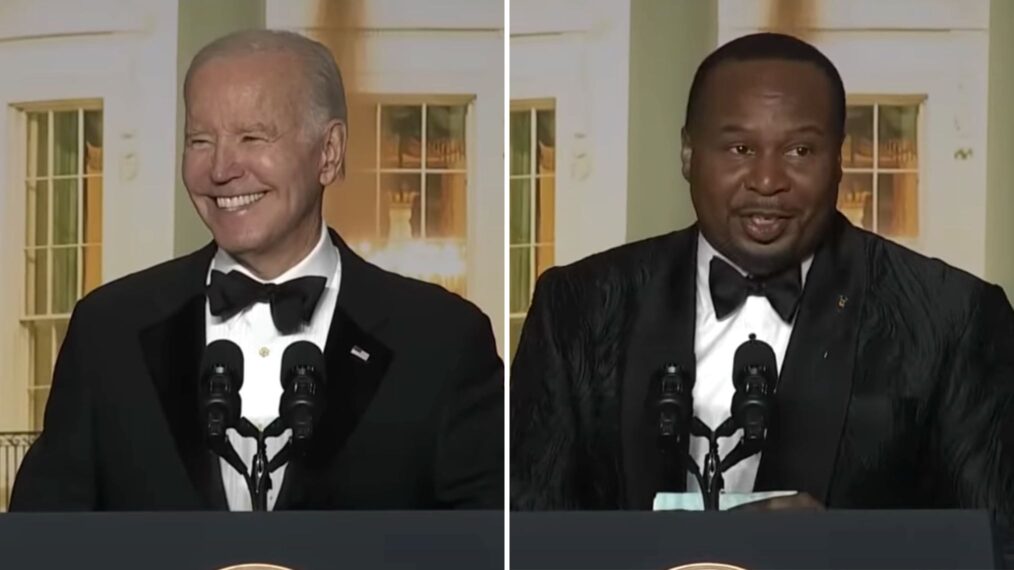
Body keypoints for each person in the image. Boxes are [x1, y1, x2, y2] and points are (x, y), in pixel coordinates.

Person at [510, 32, 1014, 521]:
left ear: (839, 159)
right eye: (739, 150)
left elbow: (994, 546)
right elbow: (529, 535)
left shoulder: (956, 318)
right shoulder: (576, 307)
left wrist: (844, 555)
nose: (768, 181)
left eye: (800, 151)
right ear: (688, 154)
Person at [11, 29, 503, 511]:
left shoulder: (442, 342)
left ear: (328, 153)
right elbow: (40, 544)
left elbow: (487, 551)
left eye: (252, 136)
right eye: (200, 140)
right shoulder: (107, 331)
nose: (221, 168)